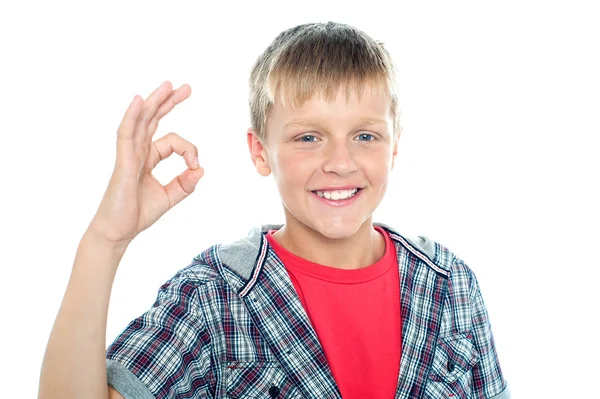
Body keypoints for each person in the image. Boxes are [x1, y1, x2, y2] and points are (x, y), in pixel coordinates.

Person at [39, 21, 510, 399]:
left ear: (394, 148)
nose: (341, 163)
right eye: (308, 137)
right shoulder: (212, 299)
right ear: (260, 152)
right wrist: (105, 240)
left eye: (365, 136)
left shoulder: (451, 286)